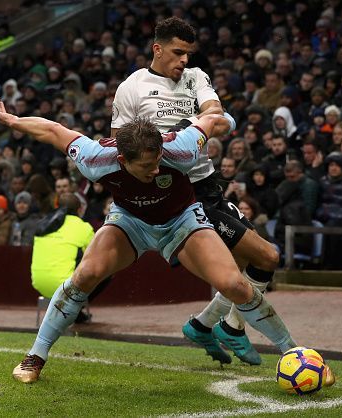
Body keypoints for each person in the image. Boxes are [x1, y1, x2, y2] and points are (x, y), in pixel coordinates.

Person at [0, 98, 332, 385]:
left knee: (233, 284)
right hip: (129, 221)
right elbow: (53, 130)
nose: (155, 170)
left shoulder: (180, 150)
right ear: (122, 160)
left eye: (157, 162)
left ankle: (295, 353)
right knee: (85, 275)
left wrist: (225, 118)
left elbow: (210, 123)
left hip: (182, 219)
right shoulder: (95, 160)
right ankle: (35, 357)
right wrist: (13, 121)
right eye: (147, 166)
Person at [110, 17, 288, 366]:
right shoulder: (131, 87)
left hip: (208, 184)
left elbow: (215, 113)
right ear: (157, 49)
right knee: (266, 258)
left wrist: (188, 127)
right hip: (180, 193)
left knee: (245, 264)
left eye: (188, 53)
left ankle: (204, 324)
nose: (183, 61)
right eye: (178, 53)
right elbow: (121, 144)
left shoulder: (196, 77)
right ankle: (229, 327)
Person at [31, 192, 101, 323]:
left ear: (56, 205)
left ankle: (75, 312)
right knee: (101, 268)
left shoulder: (43, 224)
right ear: (80, 209)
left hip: (39, 284)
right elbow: (95, 257)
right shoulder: (83, 227)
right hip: (65, 287)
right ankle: (75, 310)